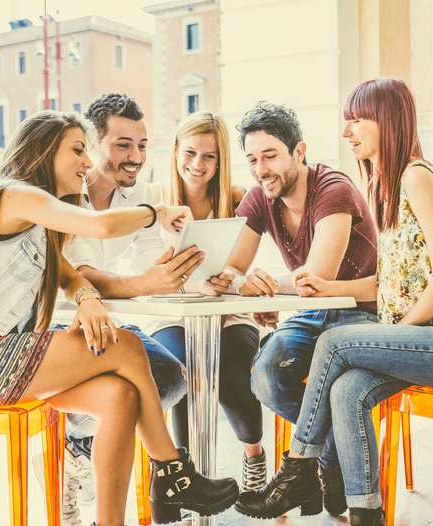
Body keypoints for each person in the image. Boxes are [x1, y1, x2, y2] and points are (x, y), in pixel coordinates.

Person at [0, 110, 239, 526]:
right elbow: (101, 226)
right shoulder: (10, 196)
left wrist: (87, 297)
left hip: (0, 355)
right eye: (78, 151)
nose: (88, 164)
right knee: (125, 345)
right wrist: (157, 212)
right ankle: (173, 474)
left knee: (120, 397)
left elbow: (69, 275)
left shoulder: (34, 219)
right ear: (41, 150)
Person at [234, 78, 433, 526]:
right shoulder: (390, 182)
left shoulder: (416, 176)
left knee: (336, 342)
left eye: (356, 120)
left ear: (388, 120)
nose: (347, 132)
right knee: (346, 390)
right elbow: (389, 285)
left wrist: (393, 335)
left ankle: (296, 469)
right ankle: (365, 512)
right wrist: (329, 289)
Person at [214, 101, 380, 516]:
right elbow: (230, 268)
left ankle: (307, 474)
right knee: (266, 376)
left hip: (359, 309)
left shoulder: (333, 188)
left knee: (335, 388)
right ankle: (328, 460)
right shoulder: (259, 198)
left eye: (270, 156)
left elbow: (317, 277)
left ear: (299, 151)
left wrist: (265, 288)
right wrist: (243, 282)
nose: (261, 169)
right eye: (252, 159)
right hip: (310, 315)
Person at [45, 93, 199, 525]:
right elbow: (81, 273)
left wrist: (183, 266)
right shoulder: (64, 194)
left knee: (170, 377)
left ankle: (82, 448)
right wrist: (144, 283)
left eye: (142, 145)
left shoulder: (142, 194)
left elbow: (152, 260)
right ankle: (82, 450)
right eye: (122, 145)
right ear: (91, 145)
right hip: (58, 324)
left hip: (105, 320)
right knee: (127, 386)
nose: (136, 157)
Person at [145, 111, 266, 492]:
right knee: (179, 371)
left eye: (210, 156)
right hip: (173, 317)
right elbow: (144, 271)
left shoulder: (238, 199)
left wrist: (234, 279)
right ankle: (187, 476)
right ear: (176, 150)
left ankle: (254, 454)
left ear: (221, 159)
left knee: (230, 376)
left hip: (228, 314)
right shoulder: (152, 200)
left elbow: (243, 266)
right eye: (191, 152)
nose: (198, 165)